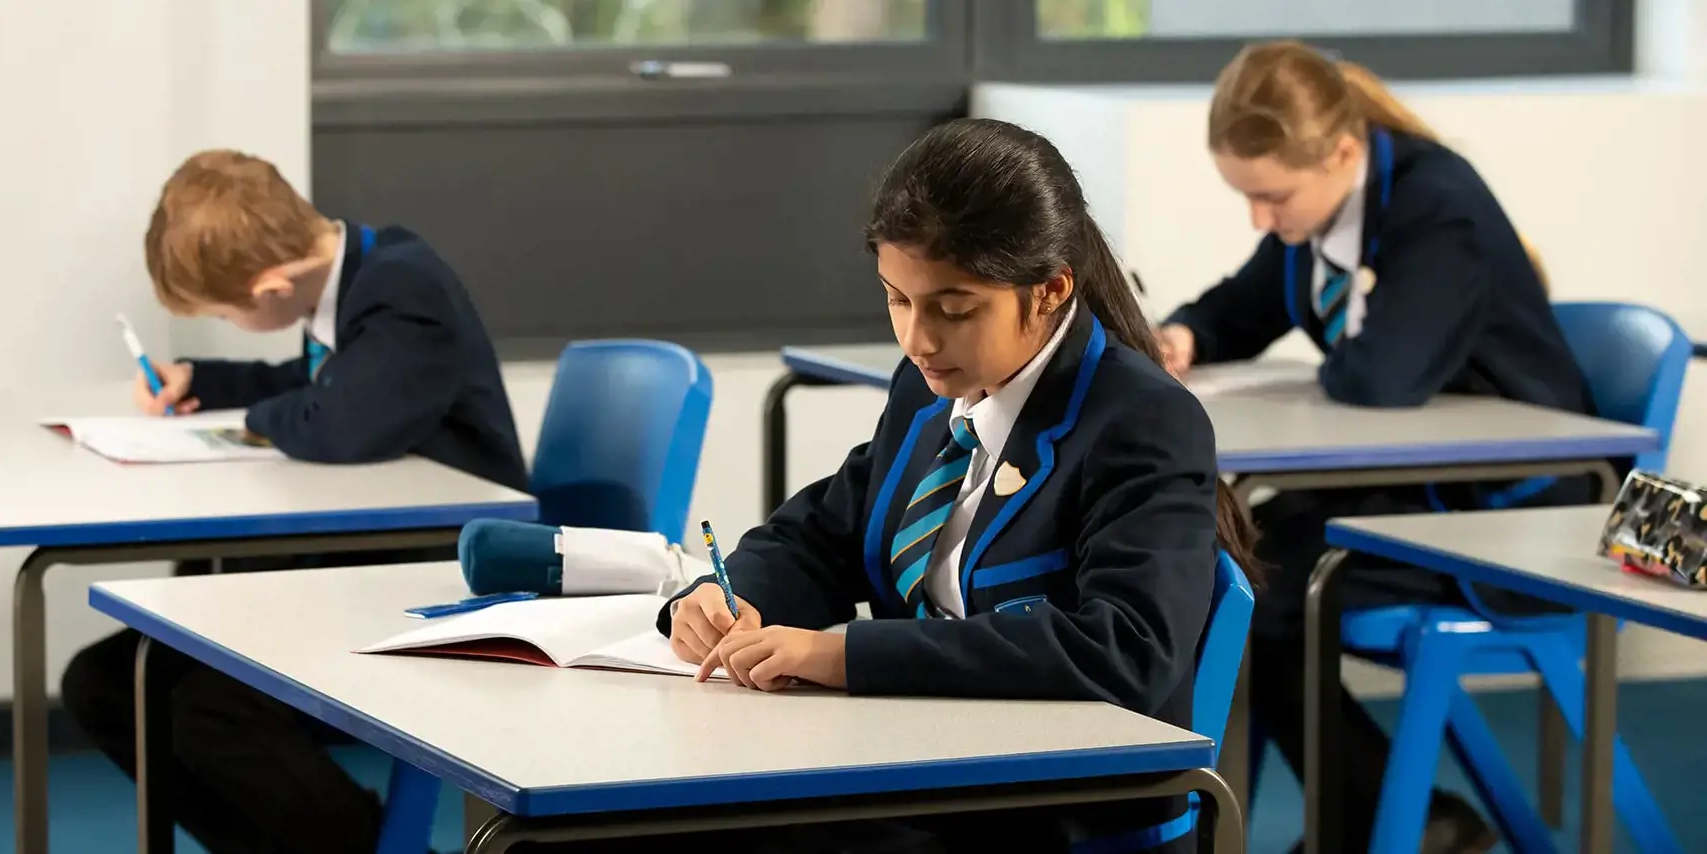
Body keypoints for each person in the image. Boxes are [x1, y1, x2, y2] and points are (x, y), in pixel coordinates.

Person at [543, 117, 1259, 854]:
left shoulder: (1143, 421)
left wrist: (845, 654)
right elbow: (821, 533)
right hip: (923, 770)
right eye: (897, 299)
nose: (917, 338)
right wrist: (730, 598)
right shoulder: (928, 391)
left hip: (1051, 813)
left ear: (1048, 291)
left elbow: (1125, 650)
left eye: (954, 309)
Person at [1156, 40, 1600, 853]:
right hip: (1416, 491)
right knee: (1225, 561)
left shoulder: (1438, 207)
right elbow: (1245, 305)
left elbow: (1382, 378)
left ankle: (1382, 819)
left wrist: (1330, 346)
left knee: (1263, 588)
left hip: (1511, 516)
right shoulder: (1321, 212)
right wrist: (1188, 332)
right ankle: (1379, 815)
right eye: (1245, 198)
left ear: (1343, 153)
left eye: (1272, 197)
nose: (1262, 220)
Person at [61, 149, 528, 854]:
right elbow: (317, 383)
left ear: (273, 287)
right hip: (361, 554)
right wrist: (204, 379)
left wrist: (253, 420)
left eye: (223, 313)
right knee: (106, 682)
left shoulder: (405, 289)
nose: (224, 323)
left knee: (211, 709)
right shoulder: (353, 279)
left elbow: (338, 422)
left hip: (437, 569)